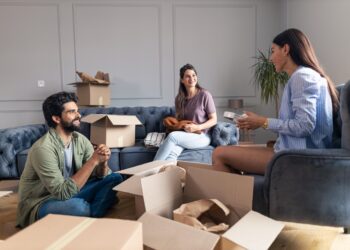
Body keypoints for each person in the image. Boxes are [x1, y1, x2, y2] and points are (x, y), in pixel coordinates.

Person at [212, 28, 339, 174]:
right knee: (231, 154)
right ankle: (241, 195)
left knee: (219, 154)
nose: (270, 58)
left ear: (285, 49)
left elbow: (304, 126)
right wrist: (259, 122)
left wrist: (262, 122)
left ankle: (233, 196)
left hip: (299, 158)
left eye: (273, 51)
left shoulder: (302, 77)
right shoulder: (308, 76)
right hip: (295, 153)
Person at [17, 92, 123, 228]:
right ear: (56, 118)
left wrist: (103, 161)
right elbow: (62, 192)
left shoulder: (79, 139)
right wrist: (93, 161)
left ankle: (90, 213)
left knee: (115, 178)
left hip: (73, 191)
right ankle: (97, 206)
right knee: (79, 208)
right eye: (72, 112)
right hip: (42, 201)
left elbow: (101, 175)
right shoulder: (43, 149)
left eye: (77, 111)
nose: (79, 115)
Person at [154, 63, 217, 160]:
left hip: (202, 136)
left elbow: (214, 120)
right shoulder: (179, 99)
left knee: (172, 137)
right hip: (186, 135)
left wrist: (197, 127)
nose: (191, 78)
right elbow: (180, 121)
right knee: (172, 154)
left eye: (193, 75)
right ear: (182, 80)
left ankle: (150, 169)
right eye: (187, 76)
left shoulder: (205, 95)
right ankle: (166, 174)